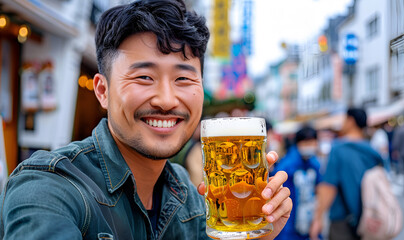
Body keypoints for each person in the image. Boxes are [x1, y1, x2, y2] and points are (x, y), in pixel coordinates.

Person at [0, 1, 292, 239]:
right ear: (102, 90)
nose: (166, 100)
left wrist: (255, 236)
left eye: (183, 78)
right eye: (144, 77)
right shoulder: (50, 186)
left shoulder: (190, 200)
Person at [309, 108, 382, 240]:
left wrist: (318, 218)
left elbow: (329, 187)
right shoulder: (372, 151)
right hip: (369, 217)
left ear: (351, 121)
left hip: (343, 219)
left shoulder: (338, 149)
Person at [272, 126, 322, 240]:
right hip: (290, 222)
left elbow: (319, 189)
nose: (310, 146)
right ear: (298, 143)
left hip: (308, 217)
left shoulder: (314, 162)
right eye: (306, 143)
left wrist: (317, 219)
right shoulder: (287, 165)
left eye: (312, 142)